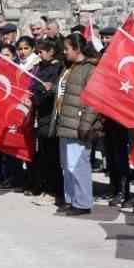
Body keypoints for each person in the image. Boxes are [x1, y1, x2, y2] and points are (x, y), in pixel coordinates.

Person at [50, 33, 101, 216]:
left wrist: (86, 124)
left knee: (78, 165)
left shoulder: (89, 69)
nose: (64, 52)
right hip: (66, 122)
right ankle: (71, 199)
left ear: (77, 49)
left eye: (67, 49)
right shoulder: (69, 68)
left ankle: (83, 202)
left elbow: (93, 100)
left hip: (78, 124)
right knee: (67, 164)